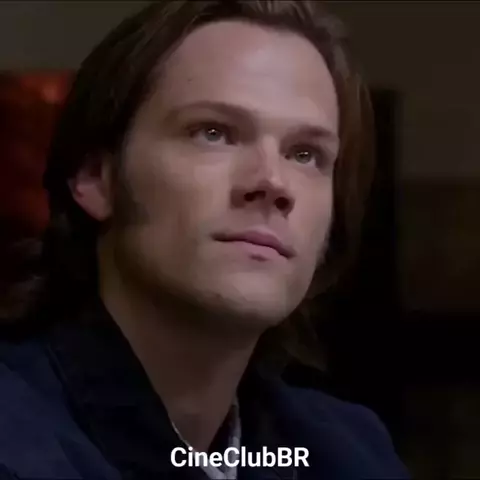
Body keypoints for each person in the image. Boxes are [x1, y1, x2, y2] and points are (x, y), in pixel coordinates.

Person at [0, 1, 410, 479]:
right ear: (96, 176)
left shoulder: (349, 452)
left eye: (306, 154)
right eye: (213, 133)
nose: (273, 182)